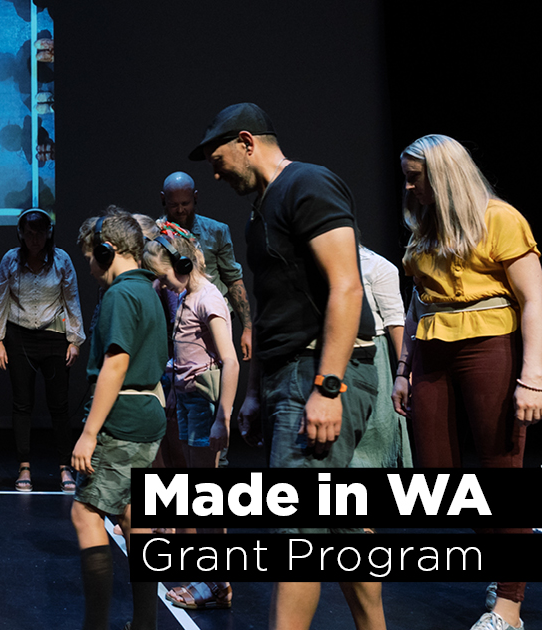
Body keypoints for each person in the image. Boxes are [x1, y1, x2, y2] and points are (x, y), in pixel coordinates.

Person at [190, 103, 384, 630]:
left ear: (247, 142)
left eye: (219, 157)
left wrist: (328, 386)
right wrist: (255, 389)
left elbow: (347, 286)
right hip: (287, 374)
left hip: (316, 373)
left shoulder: (309, 184)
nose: (215, 171)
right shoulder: (261, 211)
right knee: (340, 526)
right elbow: (272, 307)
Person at [391, 134, 541, 630]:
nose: (408, 186)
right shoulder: (424, 226)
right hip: (433, 348)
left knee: (502, 469)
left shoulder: (500, 218)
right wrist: (403, 367)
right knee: (441, 478)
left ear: (443, 175)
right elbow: (418, 300)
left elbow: (534, 300)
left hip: (489, 344)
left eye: (416, 177)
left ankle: (510, 603)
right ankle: (507, 553)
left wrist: (532, 378)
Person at [71, 209, 165, 630]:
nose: (89, 267)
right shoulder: (148, 290)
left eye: (91, 256)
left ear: (107, 252)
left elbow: (116, 362)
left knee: (86, 514)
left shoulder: (121, 295)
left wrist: (89, 434)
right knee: (131, 514)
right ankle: (145, 622)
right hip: (147, 414)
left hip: (122, 418)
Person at [141, 224, 239, 611]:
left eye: (164, 275)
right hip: (185, 400)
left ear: (181, 264)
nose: (161, 284)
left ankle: (216, 583)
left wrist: (223, 419)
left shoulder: (207, 299)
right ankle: (210, 577)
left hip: (203, 405)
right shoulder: (184, 294)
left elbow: (229, 361)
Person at [0, 209, 84, 493]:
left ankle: (64, 467)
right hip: (19, 336)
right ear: (21, 234)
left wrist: (75, 340)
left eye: (40, 232)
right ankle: (24, 466)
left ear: (48, 233)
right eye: (29, 233)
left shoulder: (61, 259)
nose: (35, 239)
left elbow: (71, 298)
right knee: (22, 403)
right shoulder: (10, 259)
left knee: (59, 405)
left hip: (54, 336)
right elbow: (0, 299)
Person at [159, 171, 253, 361]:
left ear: (195, 197)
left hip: (209, 322)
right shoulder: (155, 235)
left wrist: (248, 328)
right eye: (173, 204)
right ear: (163, 199)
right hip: (170, 325)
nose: (179, 210)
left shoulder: (217, 231)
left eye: (185, 203)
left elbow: (233, 279)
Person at [349, 244, 410, 468]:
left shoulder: (376, 265)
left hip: (371, 354)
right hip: (328, 351)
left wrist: (404, 371)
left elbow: (396, 322)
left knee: (376, 430)